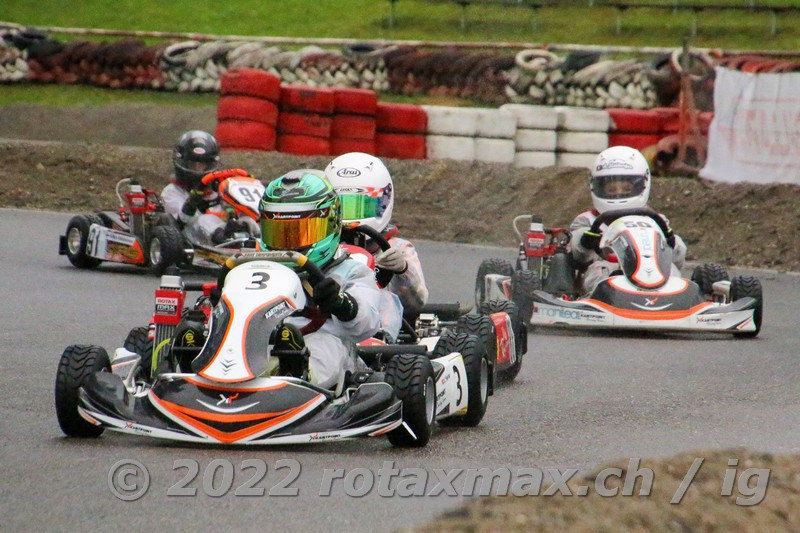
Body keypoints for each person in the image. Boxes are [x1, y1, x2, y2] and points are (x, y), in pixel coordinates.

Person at [259, 169, 390, 393]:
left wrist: (342, 303)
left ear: (331, 224)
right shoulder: (259, 269)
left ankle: (296, 373)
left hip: (327, 347)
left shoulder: (351, 270)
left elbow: (367, 324)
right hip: (261, 341)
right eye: (280, 233)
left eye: (301, 232)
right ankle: (199, 362)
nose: (289, 244)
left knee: (324, 346)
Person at [569, 145, 687, 294]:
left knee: (672, 270)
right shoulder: (588, 220)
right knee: (599, 271)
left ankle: (674, 296)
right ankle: (614, 293)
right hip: (606, 273)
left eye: (626, 189)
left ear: (643, 184)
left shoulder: (656, 219)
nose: (618, 193)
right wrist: (585, 241)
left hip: (650, 269)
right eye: (611, 189)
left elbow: (678, 258)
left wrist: (671, 242)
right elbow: (576, 253)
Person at [324, 152, 429, 317]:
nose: (350, 216)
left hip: (381, 321)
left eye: (362, 207)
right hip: (328, 318)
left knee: (386, 301)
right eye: (342, 207)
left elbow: (418, 301)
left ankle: (373, 332)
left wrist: (403, 270)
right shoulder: (322, 248)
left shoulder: (398, 248)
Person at [161, 130, 248, 245]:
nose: (198, 170)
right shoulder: (172, 191)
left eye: (202, 165)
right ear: (182, 162)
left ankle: (261, 240)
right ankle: (225, 239)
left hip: (228, 233)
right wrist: (192, 203)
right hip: (193, 240)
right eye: (193, 164)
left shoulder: (218, 189)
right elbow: (182, 220)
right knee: (204, 219)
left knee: (248, 219)